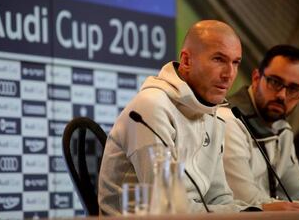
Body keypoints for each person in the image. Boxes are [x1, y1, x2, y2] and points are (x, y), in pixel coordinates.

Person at [98, 20, 252, 215]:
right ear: (187, 61)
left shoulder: (213, 113)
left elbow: (219, 196)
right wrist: (246, 212)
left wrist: (253, 211)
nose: (229, 74)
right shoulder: (151, 107)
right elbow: (167, 206)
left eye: (235, 62)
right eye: (219, 59)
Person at [218, 44, 299, 211]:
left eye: (293, 89)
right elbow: (247, 200)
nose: (281, 95)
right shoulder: (228, 119)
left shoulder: (283, 130)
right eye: (275, 82)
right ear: (256, 78)